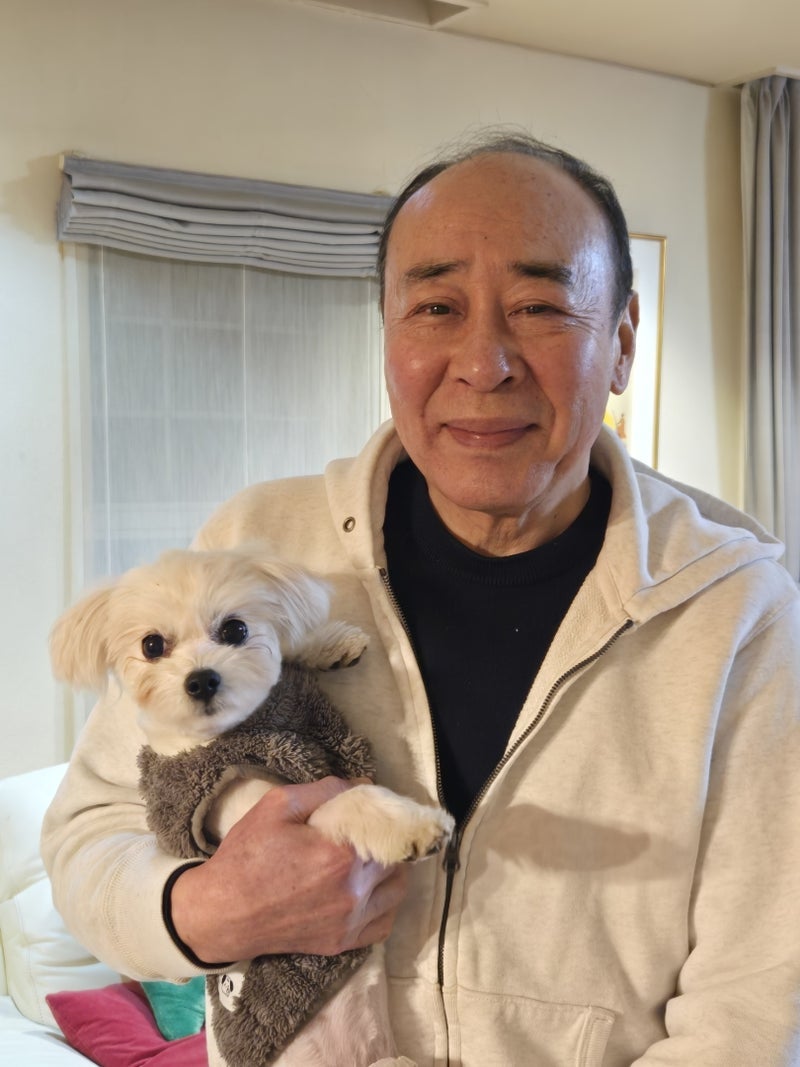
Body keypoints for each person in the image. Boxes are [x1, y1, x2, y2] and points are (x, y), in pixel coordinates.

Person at [42, 132, 800, 1066]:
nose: (483, 363)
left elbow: (756, 998)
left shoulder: (738, 609)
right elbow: (89, 835)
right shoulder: (258, 547)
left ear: (622, 342)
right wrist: (202, 912)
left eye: (539, 306)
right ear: (390, 336)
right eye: (436, 307)